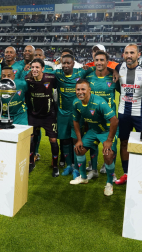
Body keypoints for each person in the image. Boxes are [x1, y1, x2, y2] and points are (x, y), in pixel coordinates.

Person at [115, 43, 142, 185]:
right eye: (127, 53)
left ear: (139, 54)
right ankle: (127, 173)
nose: (129, 55)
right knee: (124, 142)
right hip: (123, 112)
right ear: (123, 55)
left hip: (141, 112)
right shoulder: (119, 68)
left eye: (132, 53)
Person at [71, 79, 119, 197]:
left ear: (89, 90)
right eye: (78, 89)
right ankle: (83, 177)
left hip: (107, 131)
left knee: (108, 154)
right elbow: (75, 121)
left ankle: (109, 183)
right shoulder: (76, 103)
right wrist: (79, 140)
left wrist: (108, 140)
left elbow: (114, 121)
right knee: (78, 149)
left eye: (83, 89)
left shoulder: (99, 102)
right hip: (93, 131)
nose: (80, 92)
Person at [51, 54, 95, 179]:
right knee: (64, 140)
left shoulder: (81, 72)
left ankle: (77, 167)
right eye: (63, 63)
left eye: (68, 63)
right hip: (62, 113)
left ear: (73, 63)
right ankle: (69, 165)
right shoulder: (58, 74)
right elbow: (43, 70)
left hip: (77, 114)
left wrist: (115, 72)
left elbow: (98, 68)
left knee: (76, 140)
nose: (65, 65)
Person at [85, 50, 118, 181]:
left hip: (110, 121)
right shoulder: (88, 77)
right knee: (93, 146)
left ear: (106, 62)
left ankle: (111, 174)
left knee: (110, 150)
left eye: (102, 60)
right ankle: (93, 169)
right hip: (93, 119)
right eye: (96, 60)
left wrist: (114, 71)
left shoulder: (114, 77)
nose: (99, 62)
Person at [25, 58, 59, 177]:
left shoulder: (50, 78)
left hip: (49, 115)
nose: (34, 69)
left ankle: (55, 166)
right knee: (31, 138)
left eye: (37, 67)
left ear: (42, 69)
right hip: (34, 115)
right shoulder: (27, 80)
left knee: (53, 140)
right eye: (32, 67)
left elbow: (57, 87)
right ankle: (31, 162)